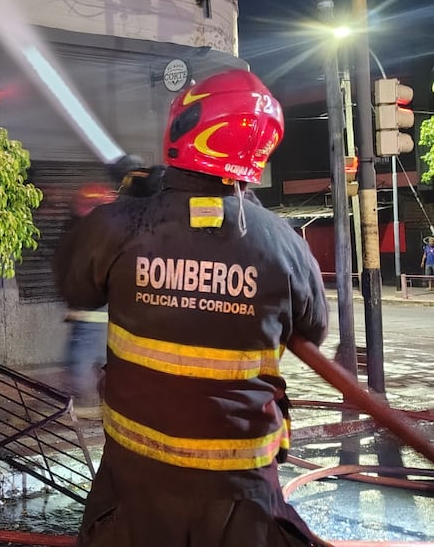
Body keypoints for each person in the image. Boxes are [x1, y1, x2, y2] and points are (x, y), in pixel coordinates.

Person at [53, 69, 331, 546]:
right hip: (242, 499)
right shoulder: (285, 245)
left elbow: (75, 284)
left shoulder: (121, 225)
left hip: (135, 491)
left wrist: (137, 199)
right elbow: (314, 328)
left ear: (185, 127)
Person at [63, 182, 117, 417]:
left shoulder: (95, 235)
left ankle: (86, 405)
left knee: (81, 359)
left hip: (94, 311)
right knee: (94, 358)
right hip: (94, 311)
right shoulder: (103, 233)